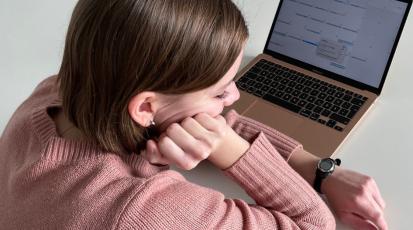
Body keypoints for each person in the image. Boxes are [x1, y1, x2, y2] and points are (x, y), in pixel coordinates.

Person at [0, 0, 386, 229]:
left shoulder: (58, 91)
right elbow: (312, 224)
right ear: (146, 107)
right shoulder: (141, 211)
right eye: (219, 91)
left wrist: (316, 168)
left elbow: (203, 118)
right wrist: (232, 151)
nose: (234, 97)